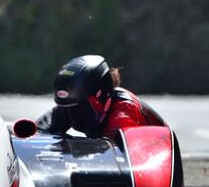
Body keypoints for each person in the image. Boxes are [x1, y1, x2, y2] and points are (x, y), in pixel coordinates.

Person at [36, 55, 164, 139]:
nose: (73, 113)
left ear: (100, 97)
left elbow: (115, 151)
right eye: (68, 107)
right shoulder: (70, 107)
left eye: (81, 106)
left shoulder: (124, 110)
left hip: (153, 163)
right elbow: (36, 133)